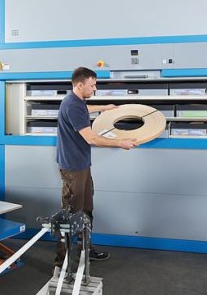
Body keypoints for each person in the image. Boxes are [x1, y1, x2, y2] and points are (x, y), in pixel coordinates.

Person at [53, 66, 137, 274]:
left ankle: (85, 250)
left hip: (81, 165)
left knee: (86, 210)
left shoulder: (75, 101)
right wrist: (121, 143)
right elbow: (90, 138)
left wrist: (105, 108)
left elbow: (84, 109)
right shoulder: (72, 106)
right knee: (71, 215)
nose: (95, 88)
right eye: (92, 85)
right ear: (80, 85)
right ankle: (61, 263)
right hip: (74, 168)